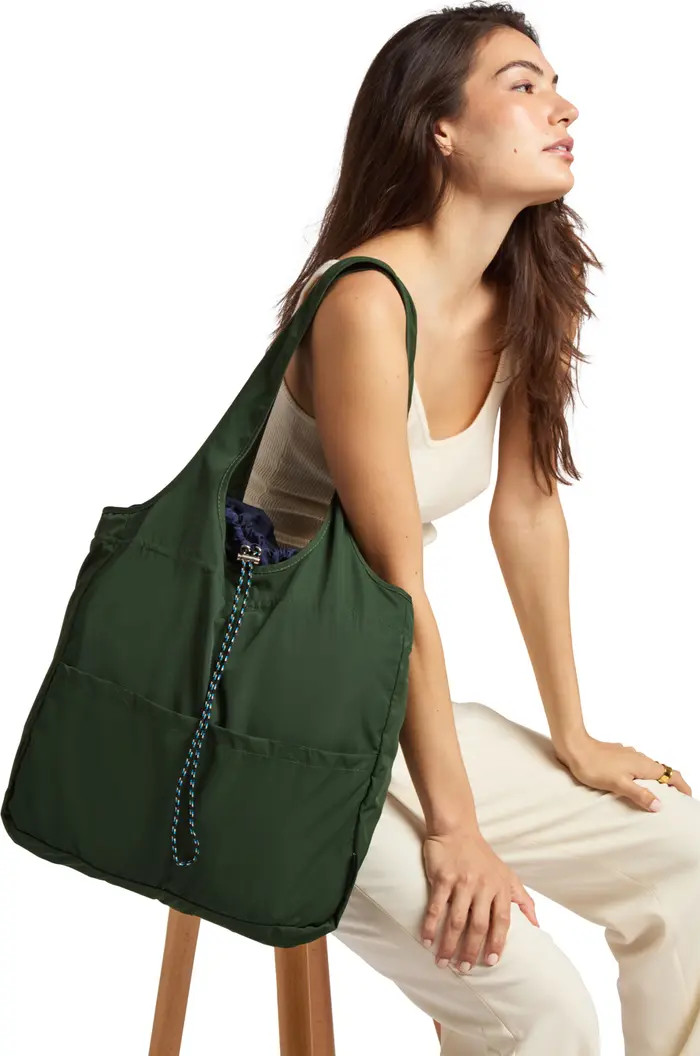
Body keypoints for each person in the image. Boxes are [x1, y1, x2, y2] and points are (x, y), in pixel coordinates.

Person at [243, 5, 700, 1053]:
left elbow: (527, 511)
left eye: (556, 85)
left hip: (371, 703)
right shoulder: (363, 301)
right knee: (540, 1006)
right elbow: (388, 580)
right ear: (438, 127)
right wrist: (456, 829)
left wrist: (573, 735)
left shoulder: (528, 295)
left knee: (680, 853)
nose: (563, 108)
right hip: (260, 725)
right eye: (523, 85)